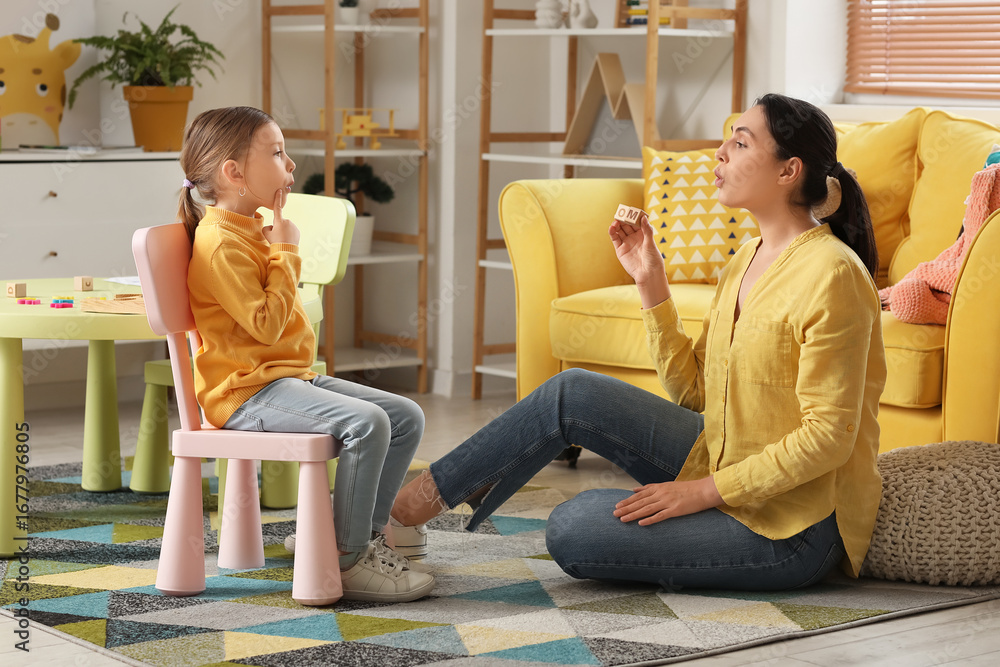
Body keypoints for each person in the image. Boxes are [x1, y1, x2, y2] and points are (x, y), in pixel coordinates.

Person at [391, 93, 887, 591]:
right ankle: (405, 513)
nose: (720, 153)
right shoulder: (747, 258)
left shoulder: (833, 274)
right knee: (572, 391)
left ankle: (399, 519)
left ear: (788, 171)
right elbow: (695, 393)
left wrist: (701, 493)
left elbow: (828, 438)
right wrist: (651, 281)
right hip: (720, 459)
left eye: (740, 142)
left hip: (795, 529)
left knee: (573, 525)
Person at [177, 106, 434, 603]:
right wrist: (287, 251)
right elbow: (269, 325)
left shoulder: (253, 228)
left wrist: (278, 246)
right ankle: (346, 558)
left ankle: (352, 536)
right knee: (368, 424)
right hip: (246, 393)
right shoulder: (220, 244)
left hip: (286, 379)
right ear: (233, 173)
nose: (290, 165)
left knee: (403, 415)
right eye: (276, 154)